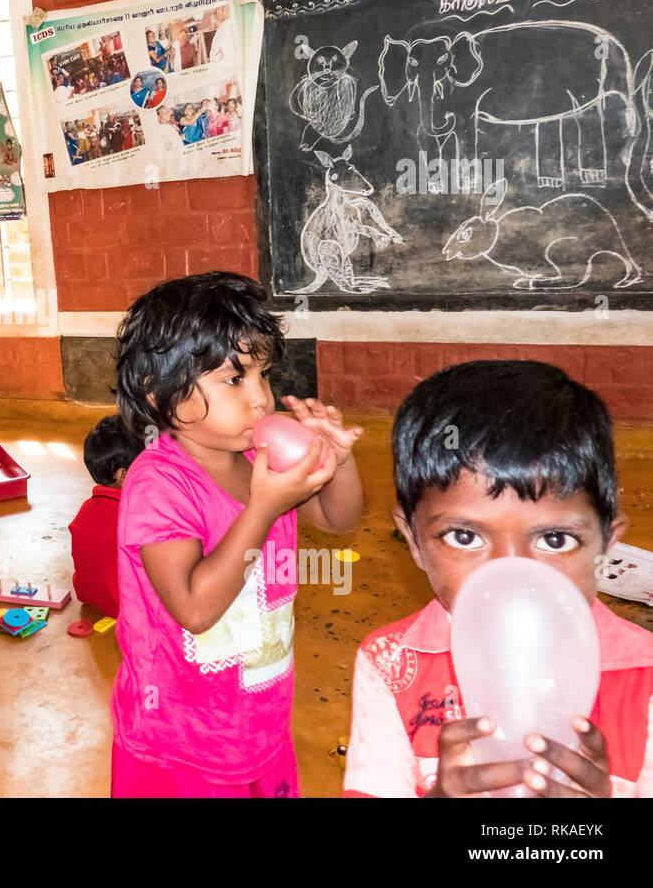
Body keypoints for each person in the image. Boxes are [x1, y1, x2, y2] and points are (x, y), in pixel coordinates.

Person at [344, 361, 653, 798]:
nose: (512, 577)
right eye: (465, 536)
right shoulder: (391, 665)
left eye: (555, 538)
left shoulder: (646, 678)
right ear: (413, 540)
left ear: (606, 543)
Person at [111, 272, 364, 797]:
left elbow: (337, 519)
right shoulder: (159, 482)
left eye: (263, 376)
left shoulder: (257, 459)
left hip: (258, 720)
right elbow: (194, 607)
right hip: (181, 742)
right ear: (158, 394)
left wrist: (338, 462)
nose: (260, 400)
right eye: (234, 380)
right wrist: (264, 507)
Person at [68, 416, 142, 619]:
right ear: (123, 475)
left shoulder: (87, 508)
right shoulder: (136, 516)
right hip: (131, 609)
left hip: (91, 596)